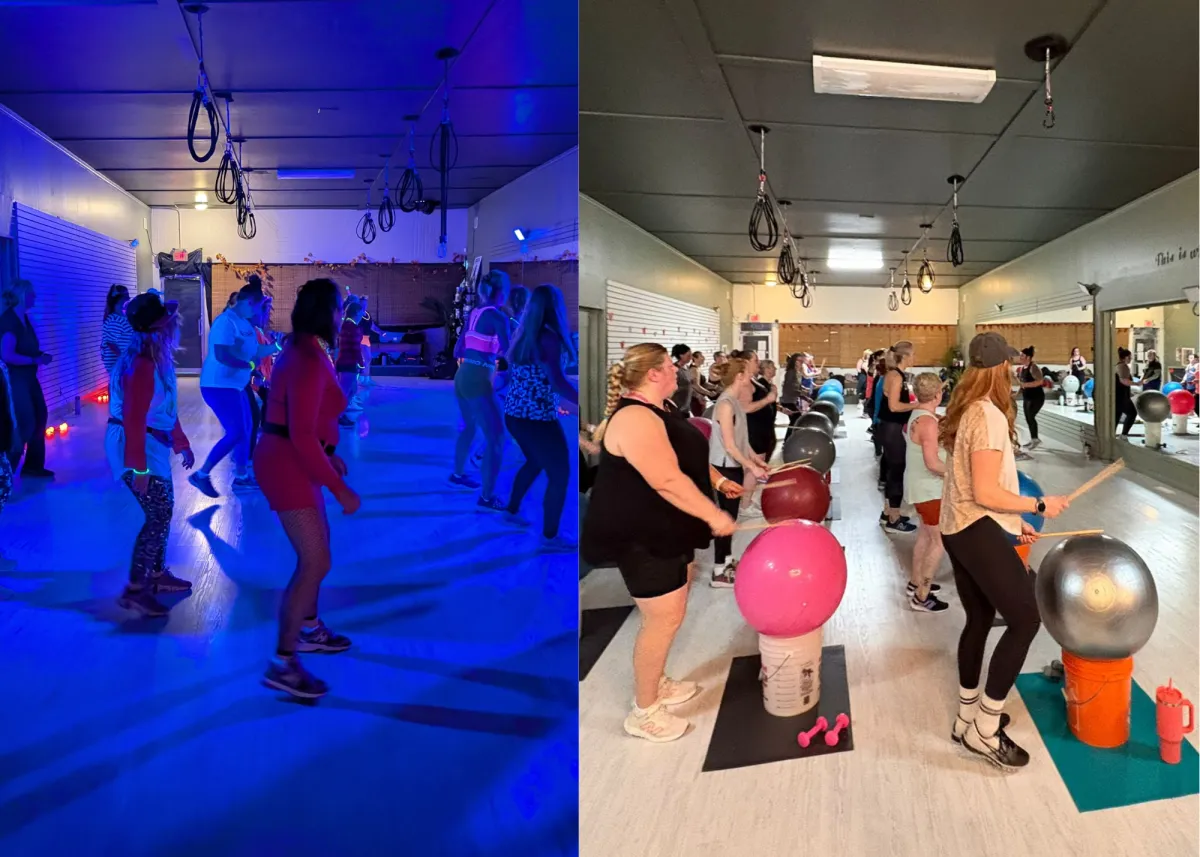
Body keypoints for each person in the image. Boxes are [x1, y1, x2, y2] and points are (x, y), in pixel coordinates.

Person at [581, 343, 738, 742]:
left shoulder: (663, 410)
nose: (677, 372)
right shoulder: (634, 418)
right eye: (670, 366)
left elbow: (686, 457)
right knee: (662, 619)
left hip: (668, 527)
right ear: (653, 373)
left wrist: (718, 481)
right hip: (641, 535)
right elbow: (666, 479)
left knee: (674, 610)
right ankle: (644, 710)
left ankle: (658, 683)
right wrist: (713, 514)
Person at [939, 332, 1070, 769]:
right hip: (975, 527)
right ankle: (986, 729)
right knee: (1025, 618)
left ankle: (966, 716)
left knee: (979, 618)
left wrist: (1013, 529)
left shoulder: (968, 410)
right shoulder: (989, 416)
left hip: (960, 528)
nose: (1015, 371)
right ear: (999, 367)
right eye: (1011, 365)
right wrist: (1038, 505)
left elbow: (972, 489)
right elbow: (985, 490)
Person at [255, 279, 362, 699]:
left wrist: (327, 452)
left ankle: (310, 628)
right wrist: (339, 488)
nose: (342, 315)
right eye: (338, 308)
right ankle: (284, 662)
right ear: (324, 312)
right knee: (314, 561)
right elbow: (297, 434)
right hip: (287, 464)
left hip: (297, 458)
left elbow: (304, 422)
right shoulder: (304, 356)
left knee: (319, 554)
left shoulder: (309, 349)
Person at [106, 294, 196, 617]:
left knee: (164, 508)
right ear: (159, 329)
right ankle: (135, 589)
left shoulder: (156, 357)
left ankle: (155, 575)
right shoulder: (141, 364)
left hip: (151, 443)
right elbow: (132, 418)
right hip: (134, 445)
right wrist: (139, 469)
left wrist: (179, 441)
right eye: (169, 322)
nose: (175, 325)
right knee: (157, 514)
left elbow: (164, 407)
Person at [502, 284, 579, 552]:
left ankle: (511, 510)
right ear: (555, 307)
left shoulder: (524, 334)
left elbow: (534, 378)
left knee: (534, 461)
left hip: (516, 414)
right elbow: (557, 381)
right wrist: (583, 403)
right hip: (537, 419)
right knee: (560, 475)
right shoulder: (548, 338)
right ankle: (550, 536)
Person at [190, 285, 273, 497]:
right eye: (256, 308)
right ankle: (201, 475)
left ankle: (242, 477)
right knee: (236, 432)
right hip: (218, 386)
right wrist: (250, 366)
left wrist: (278, 347)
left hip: (234, 386)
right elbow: (222, 355)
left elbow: (256, 351)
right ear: (247, 302)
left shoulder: (243, 324)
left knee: (247, 429)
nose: (257, 313)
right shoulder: (224, 323)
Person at [451, 270, 512, 510]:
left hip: (462, 376)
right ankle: (487, 497)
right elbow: (510, 350)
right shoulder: (498, 317)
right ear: (501, 292)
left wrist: (483, 351)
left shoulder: (474, 313)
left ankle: (457, 474)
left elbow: (458, 349)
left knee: (468, 427)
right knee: (496, 437)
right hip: (478, 379)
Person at [709, 356, 770, 587]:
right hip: (723, 468)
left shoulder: (734, 402)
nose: (751, 377)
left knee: (731, 518)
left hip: (733, 465)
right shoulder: (725, 404)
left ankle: (726, 560)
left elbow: (741, 440)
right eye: (747, 373)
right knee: (725, 518)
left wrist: (756, 459)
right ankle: (719, 571)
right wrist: (751, 466)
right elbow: (729, 445)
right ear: (739, 377)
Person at [904, 373, 949, 613]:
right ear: (938, 394)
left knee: (924, 536)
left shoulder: (919, 416)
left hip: (919, 488)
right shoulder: (928, 423)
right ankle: (922, 595)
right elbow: (932, 463)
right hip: (929, 490)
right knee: (939, 541)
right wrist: (957, 474)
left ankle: (915, 582)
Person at [0, 279, 53, 479]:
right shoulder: (9, 321)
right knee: (25, 423)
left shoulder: (24, 319)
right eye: (31, 294)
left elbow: (25, 347)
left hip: (29, 377)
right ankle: (5, 473)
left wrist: (39, 356)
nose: (35, 297)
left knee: (40, 416)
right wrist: (35, 359)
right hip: (15, 380)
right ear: (22, 296)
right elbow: (6, 354)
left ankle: (33, 466)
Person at [878, 341, 919, 533]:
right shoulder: (895, 376)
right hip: (891, 429)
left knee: (892, 471)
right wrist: (916, 405)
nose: (914, 358)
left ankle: (888, 512)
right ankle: (894, 520)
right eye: (912, 354)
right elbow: (894, 406)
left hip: (891, 428)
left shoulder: (897, 375)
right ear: (905, 356)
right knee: (897, 472)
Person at [336, 301, 365, 427]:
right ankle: (337, 416)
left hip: (343, 361)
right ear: (357, 312)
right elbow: (355, 347)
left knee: (350, 390)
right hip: (349, 363)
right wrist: (361, 364)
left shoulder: (345, 325)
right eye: (362, 310)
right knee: (345, 391)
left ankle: (339, 414)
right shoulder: (353, 327)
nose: (364, 313)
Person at [747, 358, 779, 463]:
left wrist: (781, 408)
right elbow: (760, 403)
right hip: (760, 425)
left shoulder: (769, 385)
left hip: (768, 423)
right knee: (767, 446)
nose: (775, 369)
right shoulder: (760, 385)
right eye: (773, 367)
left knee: (772, 444)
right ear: (768, 369)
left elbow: (770, 403)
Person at [101, 285, 135, 381]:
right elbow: (111, 343)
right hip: (118, 364)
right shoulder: (114, 320)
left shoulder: (122, 317)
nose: (129, 298)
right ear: (119, 298)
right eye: (126, 295)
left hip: (123, 363)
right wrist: (124, 359)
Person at [1017, 347, 1045, 450]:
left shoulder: (1034, 367)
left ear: (1028, 357)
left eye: (1022, 355)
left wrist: (1026, 385)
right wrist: (1015, 395)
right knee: (1028, 418)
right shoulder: (1022, 369)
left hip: (1036, 397)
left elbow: (1040, 381)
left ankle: (1035, 440)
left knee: (1031, 417)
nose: (1020, 357)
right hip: (1027, 397)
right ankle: (1034, 439)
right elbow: (1021, 385)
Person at [1115, 347, 1138, 437]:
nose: (1131, 359)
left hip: (1119, 395)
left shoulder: (1119, 365)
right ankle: (1124, 435)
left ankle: (1111, 437)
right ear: (1125, 357)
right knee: (1132, 413)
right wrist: (1137, 383)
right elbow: (1123, 381)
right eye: (1129, 357)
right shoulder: (1123, 366)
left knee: (1117, 416)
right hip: (1121, 396)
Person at [669, 344, 693, 411]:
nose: (691, 358)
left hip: (686, 406)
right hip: (677, 406)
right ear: (681, 355)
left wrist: (698, 396)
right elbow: (670, 389)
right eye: (688, 355)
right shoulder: (674, 369)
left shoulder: (687, 368)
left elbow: (690, 385)